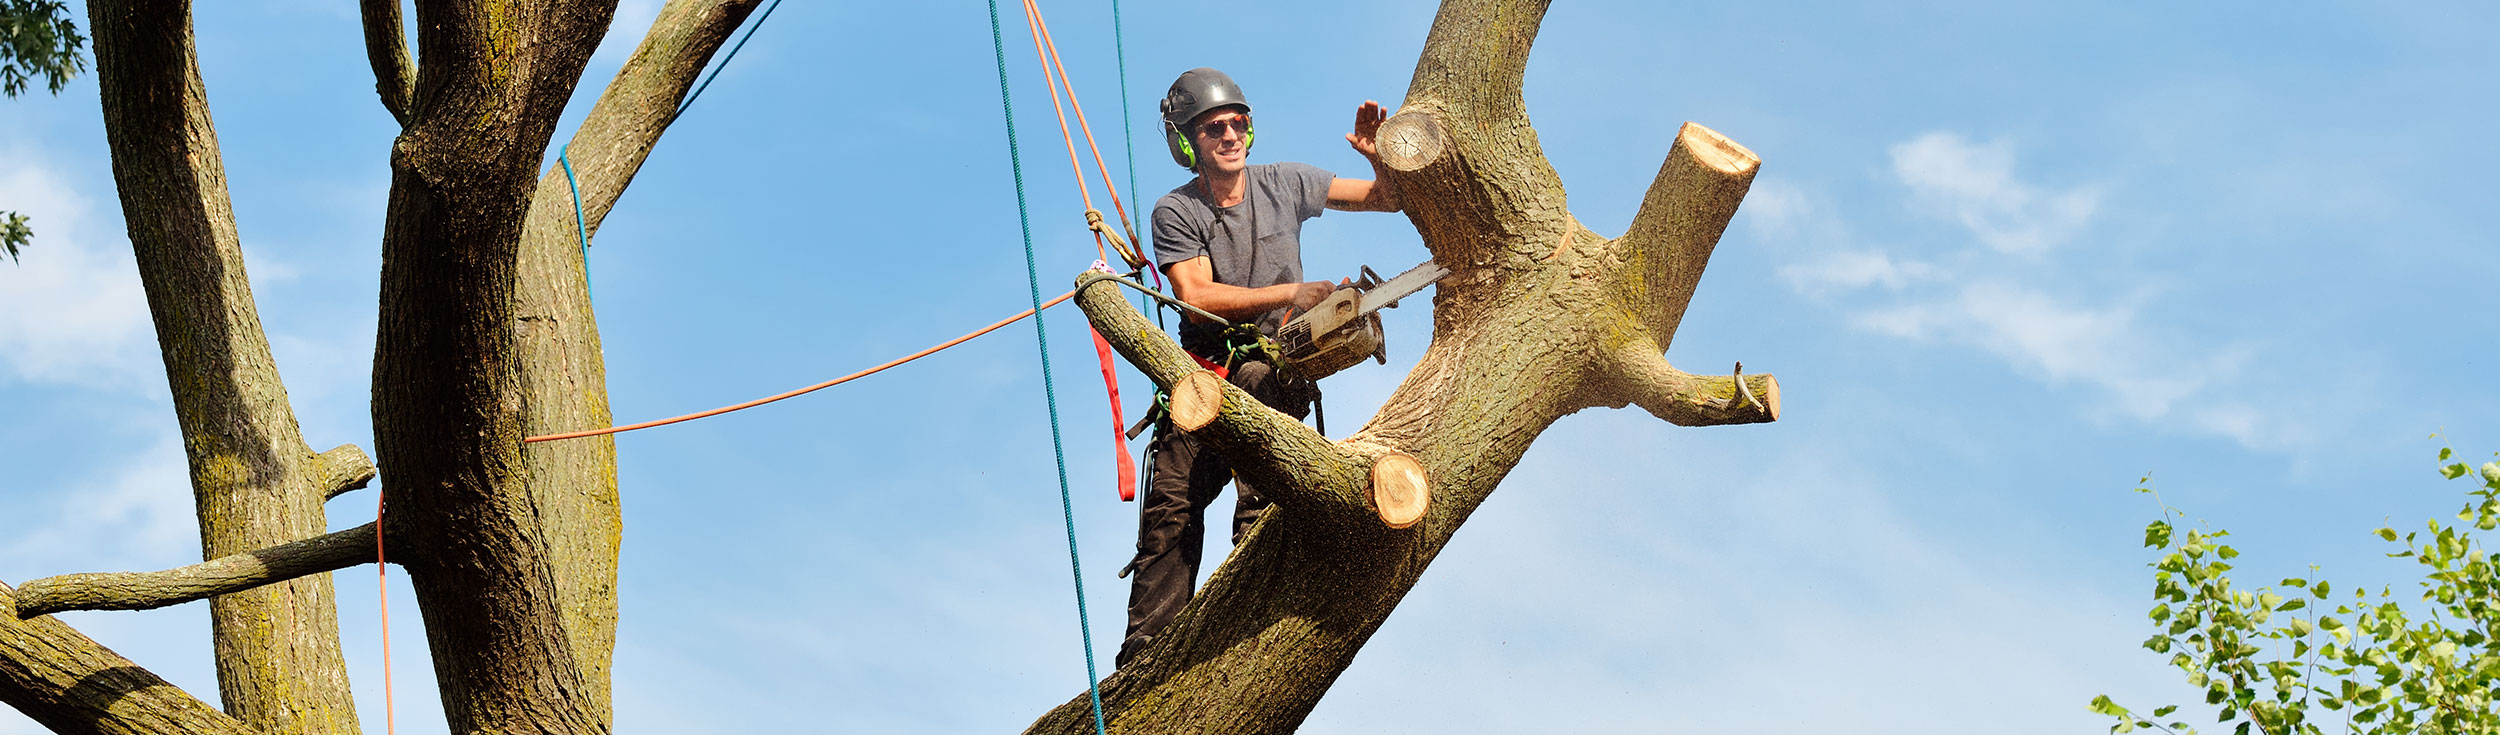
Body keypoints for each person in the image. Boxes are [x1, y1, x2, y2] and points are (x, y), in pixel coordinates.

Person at [1118, 67, 1401, 667]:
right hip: (1201, 382)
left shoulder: (1289, 182)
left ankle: (1260, 609)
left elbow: (1387, 200)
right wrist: (1289, 293)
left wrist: (1380, 161)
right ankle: (1145, 660)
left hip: (1273, 374)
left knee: (1265, 478)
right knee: (1170, 509)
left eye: (1237, 123)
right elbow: (1195, 293)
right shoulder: (1177, 210)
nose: (1229, 134)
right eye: (1213, 126)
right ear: (1186, 141)